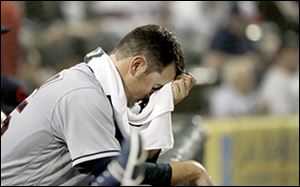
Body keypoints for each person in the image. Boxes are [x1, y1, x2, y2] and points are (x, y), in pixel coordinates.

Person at [1, 24, 214, 186]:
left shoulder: (95, 83)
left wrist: (162, 107)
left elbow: (134, 161)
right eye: (157, 88)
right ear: (137, 66)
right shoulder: (84, 94)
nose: (154, 96)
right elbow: (114, 172)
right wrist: (191, 170)